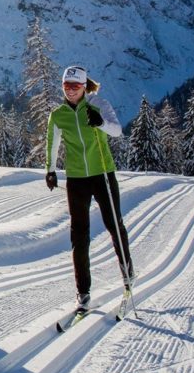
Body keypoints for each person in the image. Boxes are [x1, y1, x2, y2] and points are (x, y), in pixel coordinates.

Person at [44, 65, 135, 312]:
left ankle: (128, 275)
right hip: (76, 178)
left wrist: (101, 122)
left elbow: (117, 131)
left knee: (114, 225)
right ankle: (83, 292)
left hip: (102, 173)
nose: (71, 91)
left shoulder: (99, 105)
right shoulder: (58, 114)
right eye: (66, 86)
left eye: (75, 86)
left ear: (84, 87)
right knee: (79, 235)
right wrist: (50, 170)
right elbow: (52, 142)